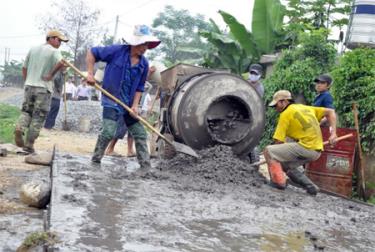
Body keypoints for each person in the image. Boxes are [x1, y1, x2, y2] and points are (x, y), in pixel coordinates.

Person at [86, 24, 161, 170]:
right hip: (111, 99)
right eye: (142, 44)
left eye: (147, 44)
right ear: (134, 42)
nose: (145, 48)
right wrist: (90, 73)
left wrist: (134, 106)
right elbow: (92, 52)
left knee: (140, 134)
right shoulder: (116, 51)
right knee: (108, 131)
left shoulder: (144, 64)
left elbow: (140, 87)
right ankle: (95, 161)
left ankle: (146, 167)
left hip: (128, 104)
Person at [264, 90, 337, 195]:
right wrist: (333, 133)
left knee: (269, 150)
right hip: (316, 151)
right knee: (284, 164)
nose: (276, 108)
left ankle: (278, 182)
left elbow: (278, 141)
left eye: (276, 105)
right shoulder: (305, 108)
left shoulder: (285, 114)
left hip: (306, 147)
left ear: (284, 102)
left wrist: (270, 155)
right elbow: (331, 112)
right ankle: (310, 186)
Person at [14, 30, 68, 153]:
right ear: (51, 38)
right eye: (59, 40)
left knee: (26, 112)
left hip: (29, 85)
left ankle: (19, 127)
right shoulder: (54, 51)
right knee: (39, 116)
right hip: (43, 88)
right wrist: (50, 75)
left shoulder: (33, 49)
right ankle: (29, 145)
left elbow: (24, 67)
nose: (60, 43)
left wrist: (27, 80)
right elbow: (62, 62)